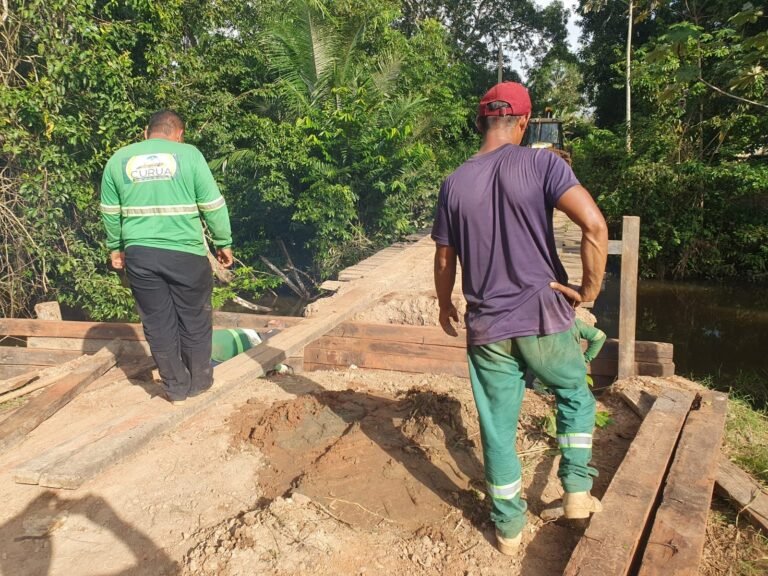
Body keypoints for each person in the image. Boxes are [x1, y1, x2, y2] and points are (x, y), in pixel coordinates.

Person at [431, 82, 608, 555]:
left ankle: (508, 531)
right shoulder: (544, 163)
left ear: (480, 122)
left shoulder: (454, 182)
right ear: (524, 123)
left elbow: (445, 259)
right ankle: (575, 491)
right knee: (572, 392)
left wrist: (446, 303)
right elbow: (593, 226)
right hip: (544, 316)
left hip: (487, 327)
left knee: (497, 428)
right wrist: (587, 292)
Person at [100, 110, 234, 405]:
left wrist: (115, 247)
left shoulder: (118, 160)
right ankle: (199, 383)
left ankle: (175, 387)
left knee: (159, 323)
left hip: (140, 255)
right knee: (194, 319)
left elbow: (110, 213)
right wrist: (223, 242)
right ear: (179, 134)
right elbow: (213, 205)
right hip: (185, 254)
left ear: (146, 133)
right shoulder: (189, 155)